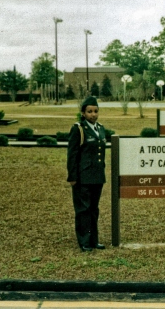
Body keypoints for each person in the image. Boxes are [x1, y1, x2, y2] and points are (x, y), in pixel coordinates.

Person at [67, 96, 107, 252]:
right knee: (83, 209)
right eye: (89, 111)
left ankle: (93, 240)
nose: (93, 114)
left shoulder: (101, 128)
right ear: (83, 113)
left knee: (93, 209)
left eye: (96, 111)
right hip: (82, 177)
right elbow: (72, 154)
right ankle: (84, 241)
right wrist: (72, 176)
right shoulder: (78, 129)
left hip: (97, 176)